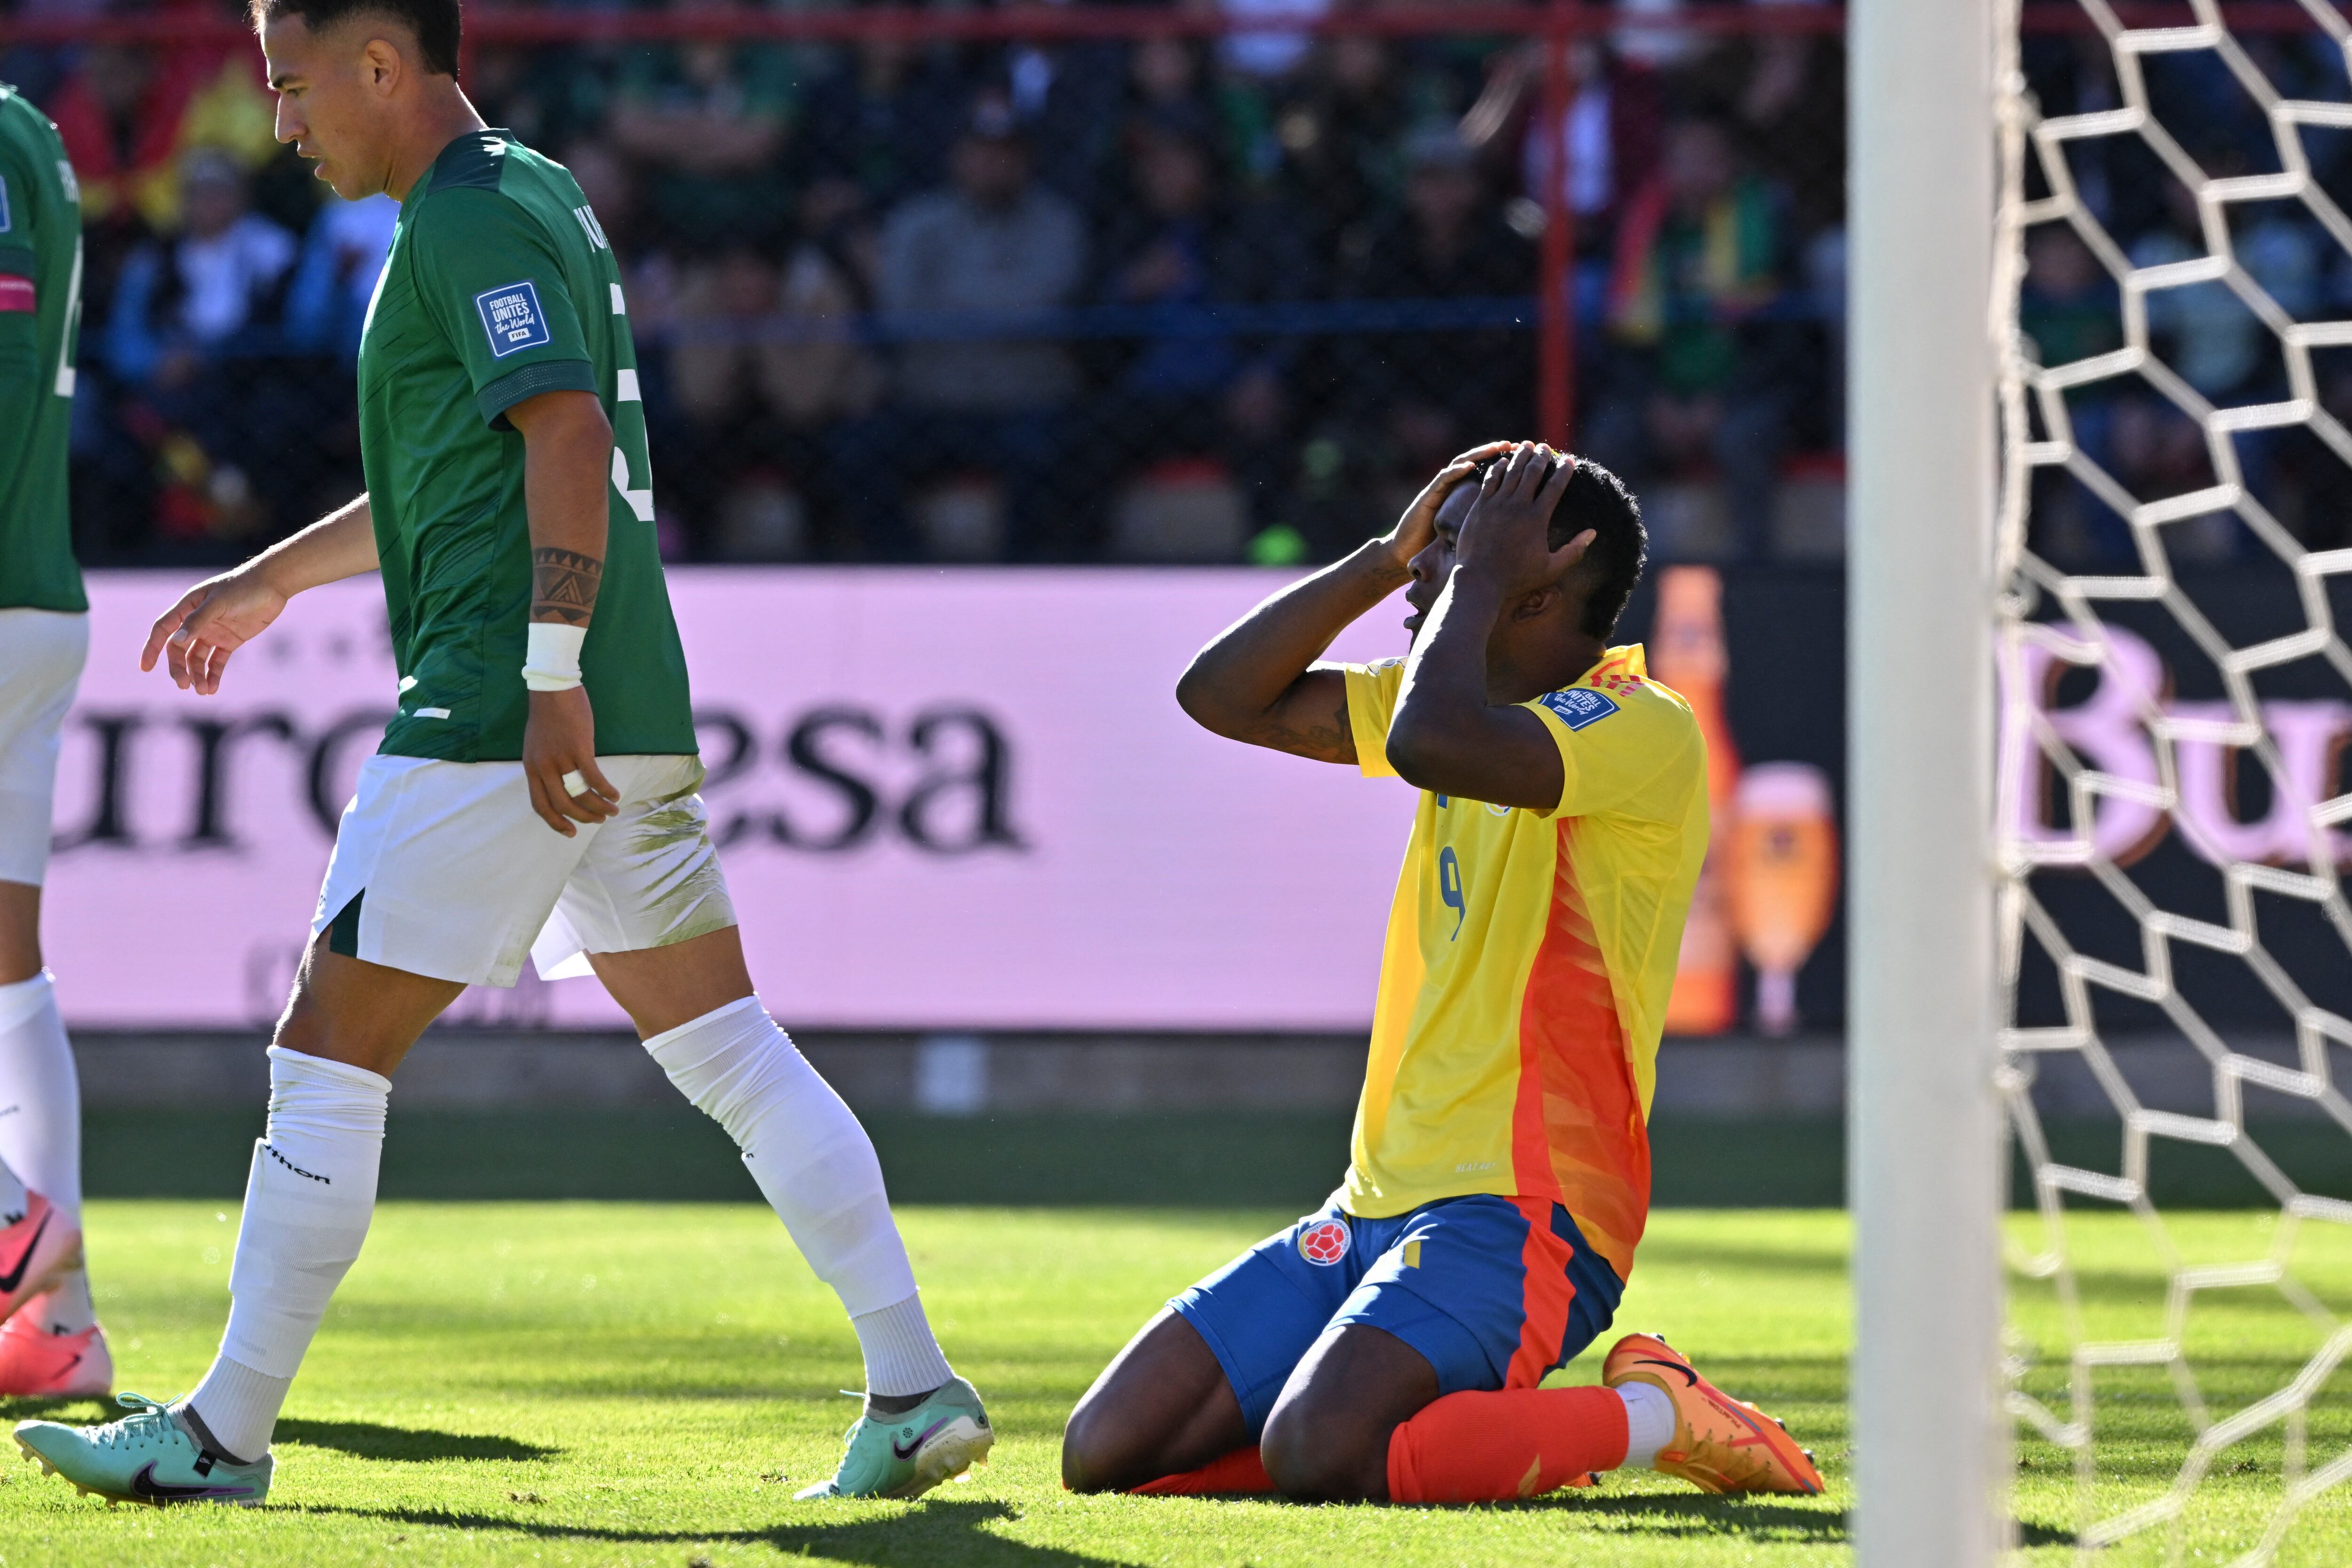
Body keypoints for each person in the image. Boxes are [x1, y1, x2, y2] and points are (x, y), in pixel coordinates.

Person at [15, 0, 987, 1507]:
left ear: (382, 65)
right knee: (732, 1048)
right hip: (623, 705)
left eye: (291, 86)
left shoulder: (463, 220)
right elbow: (484, 463)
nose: (280, 123)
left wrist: (543, 679)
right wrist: (274, 575)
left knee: (327, 1052)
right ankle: (916, 1384)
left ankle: (218, 1434)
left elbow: (563, 440)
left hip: (502, 706)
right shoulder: (530, 187)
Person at [1060, 443, 1824, 1505]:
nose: (1429, 572)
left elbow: (1433, 738)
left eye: (1454, 550)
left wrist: (1471, 579)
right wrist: (1381, 556)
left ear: (1537, 585)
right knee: (1106, 1452)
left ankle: (1653, 1414)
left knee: (1318, 1452)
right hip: (1373, 1200)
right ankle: (1418, 1430)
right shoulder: (1447, 702)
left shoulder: (1640, 725)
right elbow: (1220, 695)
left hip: (1531, 1209)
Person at [0, 78, 112, 1403]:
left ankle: (14, 1220)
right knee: (11, 977)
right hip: (35, 592)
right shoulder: (30, 127)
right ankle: (56, 1324)